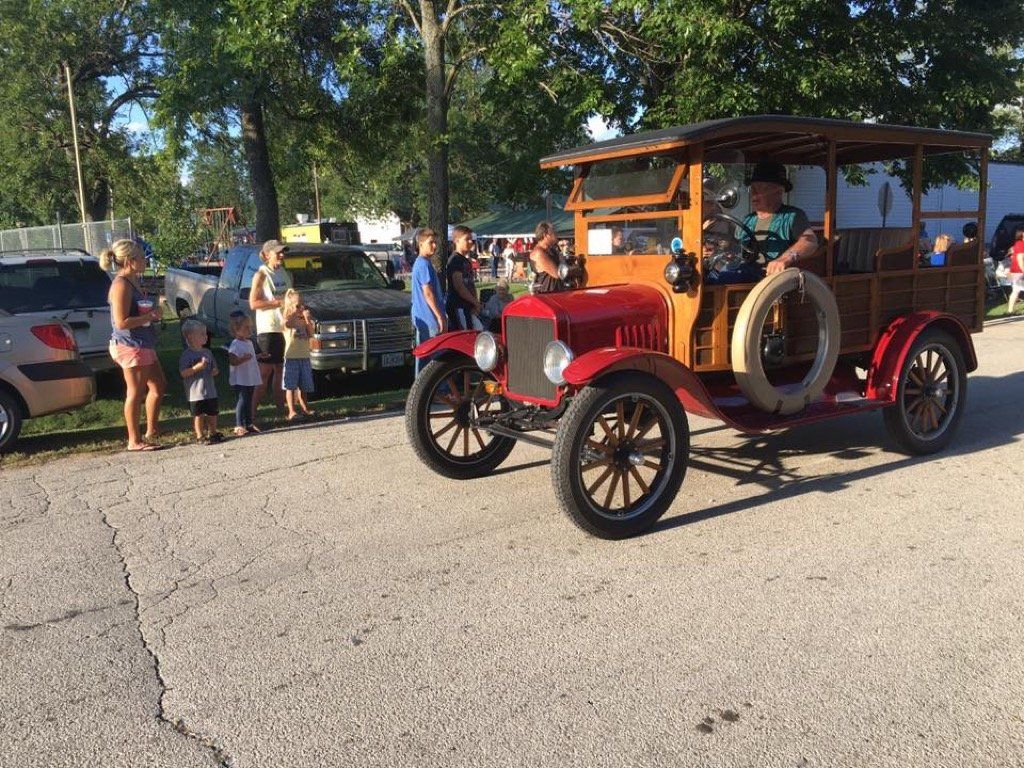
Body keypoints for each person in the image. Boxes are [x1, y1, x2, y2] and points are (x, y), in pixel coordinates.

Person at [100, 239, 165, 452]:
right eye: (142, 257)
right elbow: (121, 322)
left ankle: (151, 431)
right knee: (135, 393)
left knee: (158, 385)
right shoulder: (120, 284)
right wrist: (151, 316)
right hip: (130, 344)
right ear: (129, 261)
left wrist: (150, 315)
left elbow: (136, 312)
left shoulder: (133, 280)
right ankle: (134, 440)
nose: (146, 261)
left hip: (143, 342)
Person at [740, 161, 818, 276]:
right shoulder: (748, 220)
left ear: (779, 191)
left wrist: (784, 259)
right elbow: (733, 247)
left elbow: (810, 241)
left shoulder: (793, 216)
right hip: (744, 274)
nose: (754, 194)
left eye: (761, 189)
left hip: (775, 281)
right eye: (753, 189)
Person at [249, 239, 289, 417]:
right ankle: (250, 414)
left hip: (285, 327)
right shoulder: (261, 275)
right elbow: (253, 303)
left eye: (283, 252)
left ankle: (281, 410)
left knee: (281, 370)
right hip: (268, 328)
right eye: (277, 252)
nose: (281, 255)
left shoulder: (284, 273)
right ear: (266, 255)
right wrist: (277, 303)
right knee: (264, 372)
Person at [179, 319, 222, 445]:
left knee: (212, 412)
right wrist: (196, 368)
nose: (206, 336)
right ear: (191, 337)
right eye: (202, 334)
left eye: (206, 333)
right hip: (195, 392)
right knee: (198, 414)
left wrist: (214, 370)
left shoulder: (207, 352)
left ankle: (213, 432)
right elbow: (183, 373)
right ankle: (200, 435)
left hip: (209, 389)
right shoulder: (186, 355)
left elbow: (215, 368)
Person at [410, 228, 446, 375]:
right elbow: (428, 293)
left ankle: (420, 392)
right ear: (421, 244)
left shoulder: (422, 263)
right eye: (431, 242)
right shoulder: (423, 264)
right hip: (429, 318)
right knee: (435, 360)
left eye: (435, 242)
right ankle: (437, 392)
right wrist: (439, 316)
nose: (434, 246)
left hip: (423, 317)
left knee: (424, 358)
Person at [281, 289, 316, 420]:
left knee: (304, 385)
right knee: (290, 385)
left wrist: (307, 319)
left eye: (303, 305)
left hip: (304, 356)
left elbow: (311, 333)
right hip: (291, 357)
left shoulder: (304, 319)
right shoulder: (288, 318)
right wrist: (294, 312)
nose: (301, 308)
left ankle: (305, 407)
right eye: (298, 305)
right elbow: (286, 325)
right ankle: (291, 410)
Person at [226, 313, 262, 436]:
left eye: (250, 327)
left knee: (249, 399)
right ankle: (239, 424)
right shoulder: (235, 344)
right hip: (240, 379)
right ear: (237, 329)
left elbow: (251, 357)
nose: (249, 330)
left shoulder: (249, 342)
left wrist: (258, 356)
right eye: (246, 327)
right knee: (242, 399)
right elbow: (232, 360)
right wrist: (242, 359)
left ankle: (249, 423)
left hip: (250, 377)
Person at [445, 225, 482, 330]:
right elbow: (459, 286)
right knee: (466, 335)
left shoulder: (465, 260)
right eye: (467, 239)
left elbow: (470, 283)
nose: (471, 242)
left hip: (467, 305)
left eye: (471, 239)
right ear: (457, 241)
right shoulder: (455, 260)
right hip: (458, 305)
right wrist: (475, 303)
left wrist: (474, 302)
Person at [529, 221, 563, 294]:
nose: (556, 235)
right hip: (546, 295)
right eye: (553, 233)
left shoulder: (551, 250)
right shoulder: (539, 253)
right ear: (545, 235)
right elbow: (557, 273)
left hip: (556, 293)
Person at [1007, 229, 1024, 314]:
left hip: (1014, 271)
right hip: (1019, 271)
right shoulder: (1021, 244)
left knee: (1015, 290)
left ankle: (1010, 311)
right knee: (1016, 290)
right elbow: (1020, 259)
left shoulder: (1017, 244)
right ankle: (1010, 311)